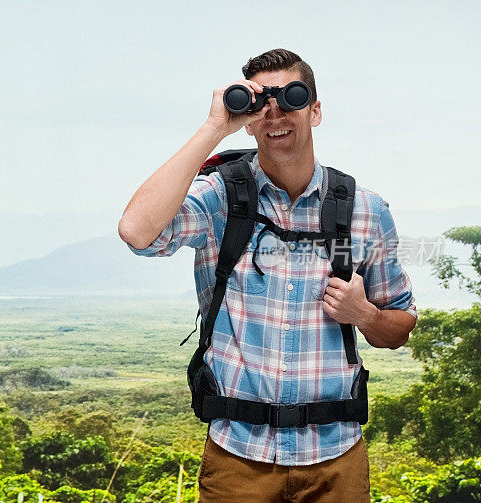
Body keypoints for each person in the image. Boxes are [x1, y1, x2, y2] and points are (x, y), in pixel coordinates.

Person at [117, 48, 417, 502]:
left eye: (292, 98)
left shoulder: (364, 210)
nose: (276, 112)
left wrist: (364, 315)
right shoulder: (220, 199)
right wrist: (215, 127)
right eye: (260, 103)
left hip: (335, 457)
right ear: (249, 120)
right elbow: (138, 232)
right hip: (238, 456)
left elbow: (399, 328)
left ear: (315, 110)